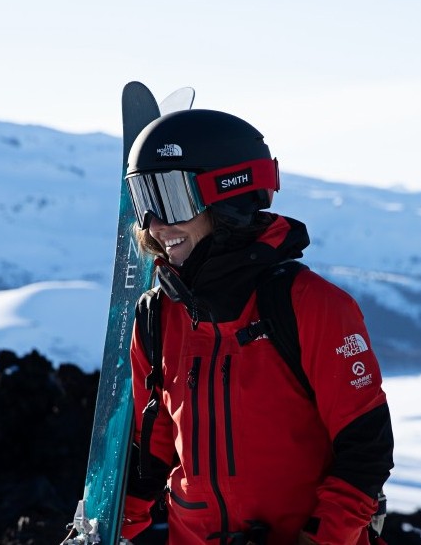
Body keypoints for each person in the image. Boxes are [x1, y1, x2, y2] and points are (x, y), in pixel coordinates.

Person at [117, 108, 394, 544]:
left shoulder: (311, 306)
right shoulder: (157, 317)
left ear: (228, 194)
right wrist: (111, 528)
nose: (154, 223)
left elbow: (366, 451)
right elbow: (149, 452)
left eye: (169, 197)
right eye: (142, 200)